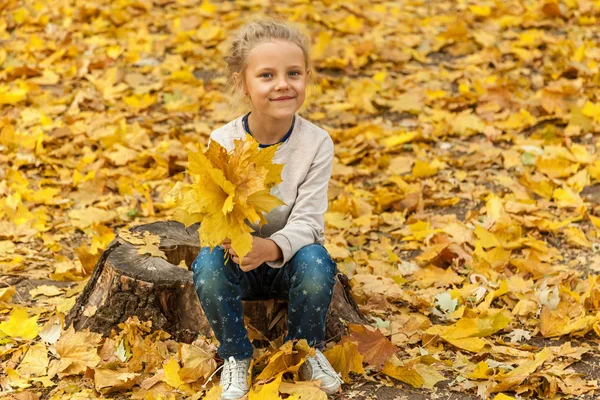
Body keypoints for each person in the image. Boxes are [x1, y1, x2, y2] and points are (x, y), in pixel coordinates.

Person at [190, 19, 343, 399]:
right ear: (243, 83)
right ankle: (236, 356)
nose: (282, 84)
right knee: (207, 266)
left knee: (317, 263)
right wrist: (233, 241)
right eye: (266, 75)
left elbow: (309, 221)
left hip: (289, 260)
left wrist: (270, 248)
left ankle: (304, 349)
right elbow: (214, 209)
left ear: (307, 76)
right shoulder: (223, 140)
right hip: (238, 260)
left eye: (293, 73)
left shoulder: (316, 143)